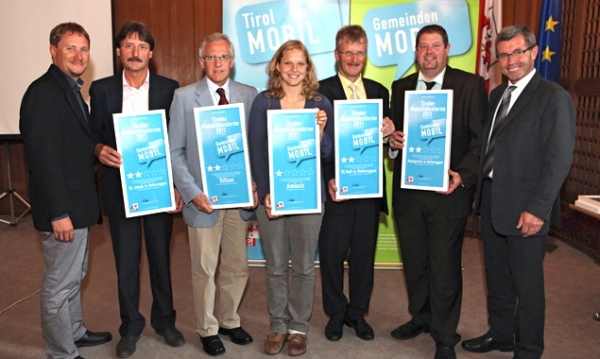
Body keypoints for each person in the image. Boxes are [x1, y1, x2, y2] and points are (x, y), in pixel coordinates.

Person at [461, 24, 576, 359]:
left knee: (527, 287)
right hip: (493, 200)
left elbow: (558, 159)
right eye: (504, 55)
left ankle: (528, 349)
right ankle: (501, 335)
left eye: (517, 52)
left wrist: (538, 209)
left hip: (527, 207)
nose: (510, 61)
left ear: (533, 52)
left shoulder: (554, 97)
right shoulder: (498, 95)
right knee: (497, 279)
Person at [387, 24, 487, 359]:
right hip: (410, 192)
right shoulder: (400, 87)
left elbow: (479, 141)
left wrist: (463, 175)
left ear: (447, 49)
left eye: (435, 46)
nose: (429, 52)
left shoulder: (470, 85)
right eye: (422, 47)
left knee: (444, 265)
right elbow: (394, 138)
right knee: (415, 262)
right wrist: (394, 143)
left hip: (449, 192)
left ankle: (445, 334)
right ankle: (421, 317)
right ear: (416, 52)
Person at [89, 21, 184, 358]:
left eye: (142, 47)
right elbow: (93, 134)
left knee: (161, 258)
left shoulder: (169, 89)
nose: (135, 52)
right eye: (128, 46)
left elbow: (178, 142)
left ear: (151, 53)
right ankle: (129, 326)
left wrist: (177, 186)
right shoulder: (101, 90)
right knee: (126, 262)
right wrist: (99, 149)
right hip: (120, 190)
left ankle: (165, 320)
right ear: (118, 52)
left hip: (159, 187)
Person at [19, 22, 112, 359]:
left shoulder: (71, 90)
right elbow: (43, 160)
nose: (79, 55)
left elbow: (71, 145)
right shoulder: (43, 93)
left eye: (84, 49)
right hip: (63, 210)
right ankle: (61, 352)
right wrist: (59, 213)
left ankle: (74, 331)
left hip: (79, 204)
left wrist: (96, 150)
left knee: (76, 275)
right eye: (70, 48)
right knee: (59, 283)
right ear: (52, 50)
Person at [168, 32, 257, 357]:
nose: (217, 63)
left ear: (232, 62)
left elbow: (255, 147)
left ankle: (230, 320)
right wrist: (191, 193)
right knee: (204, 269)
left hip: (238, 200)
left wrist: (255, 184)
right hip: (203, 202)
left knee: (237, 266)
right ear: (202, 61)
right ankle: (207, 328)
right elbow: (175, 151)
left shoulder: (249, 95)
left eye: (223, 57)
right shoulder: (183, 97)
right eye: (211, 57)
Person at [247, 40, 333, 356]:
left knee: (305, 267)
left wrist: (321, 134)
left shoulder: (320, 103)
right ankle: (278, 326)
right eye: (288, 63)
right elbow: (256, 151)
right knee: (275, 265)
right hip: (272, 197)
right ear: (278, 67)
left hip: (309, 197)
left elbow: (327, 154)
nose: (294, 70)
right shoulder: (263, 103)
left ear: (307, 68)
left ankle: (298, 329)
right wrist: (266, 192)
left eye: (300, 63)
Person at [317, 25, 394, 342]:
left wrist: (391, 132)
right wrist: (327, 181)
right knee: (332, 255)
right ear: (337, 55)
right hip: (336, 189)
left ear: (365, 55)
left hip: (368, 189)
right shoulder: (319, 91)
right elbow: (313, 144)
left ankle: (357, 313)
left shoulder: (379, 91)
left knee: (364, 256)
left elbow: (389, 143)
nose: (353, 58)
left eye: (359, 52)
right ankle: (335, 313)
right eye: (347, 51)